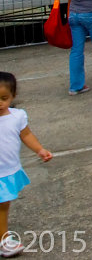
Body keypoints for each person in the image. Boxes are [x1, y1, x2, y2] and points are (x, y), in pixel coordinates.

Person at [0, 72, 52, 259]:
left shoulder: (17, 116)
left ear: (13, 96)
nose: (0, 102)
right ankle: (4, 241)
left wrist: (40, 150)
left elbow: (27, 135)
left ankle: (3, 239)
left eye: (4, 98)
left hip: (6, 171)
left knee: (3, 205)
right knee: (2, 205)